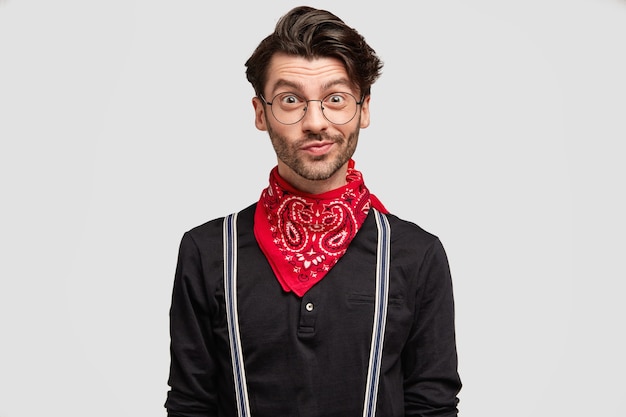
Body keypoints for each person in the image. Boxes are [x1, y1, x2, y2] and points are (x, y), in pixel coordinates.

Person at [164, 6, 461, 417]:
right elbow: (190, 404)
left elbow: (433, 406)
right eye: (290, 100)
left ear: (364, 108)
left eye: (335, 98)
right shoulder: (208, 250)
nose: (316, 121)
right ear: (260, 113)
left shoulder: (416, 253)